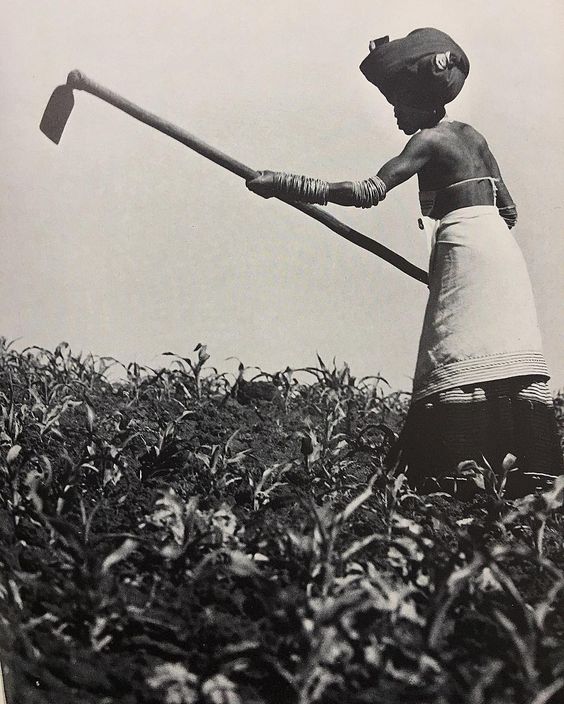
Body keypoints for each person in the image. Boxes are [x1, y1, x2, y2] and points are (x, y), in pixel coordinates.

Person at [245, 29, 563, 496]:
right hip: (499, 257)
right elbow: (508, 210)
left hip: (466, 253)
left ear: (419, 98)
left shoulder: (427, 142)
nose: (394, 111)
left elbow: (366, 192)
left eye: (398, 101)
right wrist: (473, 251)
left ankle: (455, 475)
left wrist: (286, 185)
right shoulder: (473, 137)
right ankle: (522, 473)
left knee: (456, 354)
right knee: (501, 354)